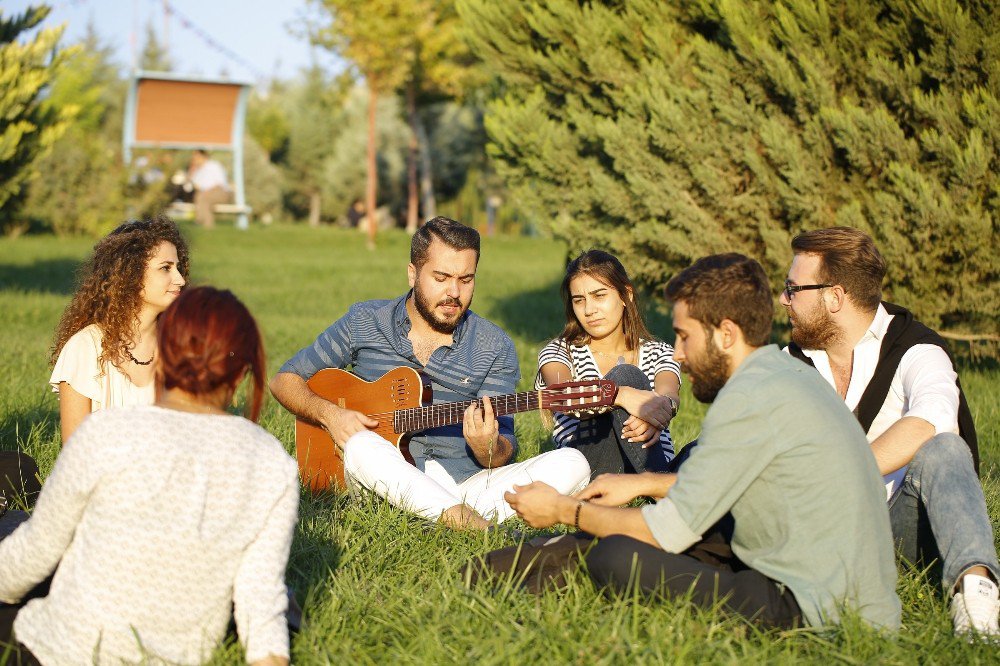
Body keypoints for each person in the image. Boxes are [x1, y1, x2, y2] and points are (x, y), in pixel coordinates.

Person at [505, 253, 901, 630]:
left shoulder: (746, 401)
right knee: (684, 510)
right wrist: (642, 484)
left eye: (684, 336)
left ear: (726, 334)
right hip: (852, 596)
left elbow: (668, 530)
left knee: (616, 555)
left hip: (812, 606)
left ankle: (530, 565)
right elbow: (727, 486)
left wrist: (563, 509)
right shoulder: (784, 376)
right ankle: (526, 563)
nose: (678, 353)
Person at [0, 287, 297, 665]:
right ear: (242, 372)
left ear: (163, 354)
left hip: (58, 649)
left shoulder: (105, 432)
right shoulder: (272, 462)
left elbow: (34, 553)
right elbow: (260, 597)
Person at [270, 216, 590, 530]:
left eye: (466, 279)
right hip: (377, 475)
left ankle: (442, 516)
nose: (454, 292)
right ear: (413, 274)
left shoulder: (494, 345)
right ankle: (473, 523)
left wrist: (487, 446)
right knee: (362, 446)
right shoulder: (364, 320)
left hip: (465, 483)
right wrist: (330, 415)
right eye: (441, 277)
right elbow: (285, 380)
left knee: (574, 463)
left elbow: (502, 451)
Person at [782, 226, 999, 637]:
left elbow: (932, 420)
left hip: (903, 521)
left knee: (945, 449)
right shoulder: (790, 363)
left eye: (793, 289)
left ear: (834, 296)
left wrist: (842, 473)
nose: (784, 300)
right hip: (824, 531)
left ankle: (976, 601)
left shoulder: (917, 349)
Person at [536, 250, 681, 476]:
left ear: (626, 295)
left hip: (651, 458)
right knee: (624, 376)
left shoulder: (660, 352)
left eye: (599, 295)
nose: (589, 310)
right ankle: (664, 493)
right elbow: (563, 395)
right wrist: (621, 395)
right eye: (579, 300)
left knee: (704, 447)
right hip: (590, 467)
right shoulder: (558, 352)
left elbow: (669, 396)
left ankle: (657, 487)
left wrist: (658, 412)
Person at [49, 216, 189, 443]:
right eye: (166, 268)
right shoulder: (85, 348)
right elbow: (74, 456)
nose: (180, 279)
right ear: (130, 275)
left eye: (179, 268)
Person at [189, 149, 232, 228]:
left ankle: (207, 223)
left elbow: (220, 183)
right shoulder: (198, 171)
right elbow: (196, 186)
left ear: (203, 156)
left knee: (202, 197)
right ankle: (201, 221)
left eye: (196, 157)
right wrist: (192, 172)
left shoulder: (214, 166)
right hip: (205, 193)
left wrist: (207, 191)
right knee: (200, 196)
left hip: (220, 192)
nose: (194, 159)